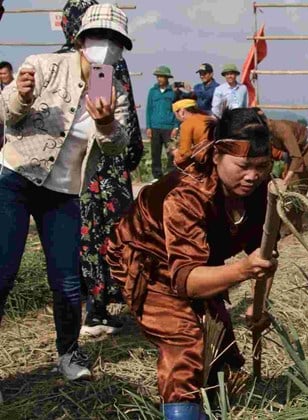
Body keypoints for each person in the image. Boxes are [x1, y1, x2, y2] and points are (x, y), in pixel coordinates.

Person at [106, 108, 277, 418]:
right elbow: (185, 281)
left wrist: (258, 302)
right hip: (148, 259)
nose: (252, 176)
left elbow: (264, 253)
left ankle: (211, 403)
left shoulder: (258, 191)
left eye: (261, 167)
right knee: (185, 340)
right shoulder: (186, 195)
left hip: (198, 258)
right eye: (243, 166)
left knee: (219, 347)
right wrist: (242, 270)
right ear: (216, 157)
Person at [0, 3, 132, 380]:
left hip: (63, 193)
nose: (105, 46)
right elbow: (5, 113)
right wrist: (21, 96)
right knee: (3, 273)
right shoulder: (43, 65)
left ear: (122, 48)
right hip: (17, 180)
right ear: (79, 39)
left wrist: (106, 123)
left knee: (68, 281)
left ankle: (69, 354)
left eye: (114, 40)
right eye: (97, 37)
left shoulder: (112, 88)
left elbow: (116, 145)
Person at [55, 0, 144, 337]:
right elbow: (111, 124)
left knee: (74, 235)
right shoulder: (104, 64)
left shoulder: (60, 58)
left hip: (67, 168)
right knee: (102, 234)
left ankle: (78, 310)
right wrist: (129, 157)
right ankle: (96, 310)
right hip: (101, 169)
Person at [262, 114, 308, 232]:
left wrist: (285, 181)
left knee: (296, 187)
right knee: (289, 184)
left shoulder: (282, 129)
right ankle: (291, 225)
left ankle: (291, 228)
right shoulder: (264, 133)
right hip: (294, 152)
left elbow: (297, 157)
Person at [146, 65, 179, 180]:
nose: (159, 79)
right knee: (155, 153)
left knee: (171, 152)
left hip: (169, 127)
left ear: (167, 78)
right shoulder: (152, 91)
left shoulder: (173, 92)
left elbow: (176, 110)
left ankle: (170, 175)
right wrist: (148, 127)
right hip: (155, 126)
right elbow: (149, 109)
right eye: (158, 76)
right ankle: (157, 176)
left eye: (161, 76)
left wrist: (176, 126)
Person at [172, 95, 213, 166]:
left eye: (176, 114)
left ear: (182, 112)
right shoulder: (211, 119)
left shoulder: (187, 124)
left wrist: (176, 155)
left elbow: (185, 153)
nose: (177, 118)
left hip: (204, 163)